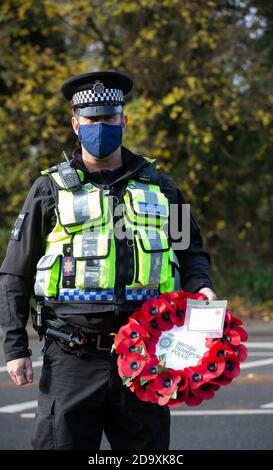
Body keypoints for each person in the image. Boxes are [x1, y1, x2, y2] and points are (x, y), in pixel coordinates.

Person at [0, 71, 216, 450]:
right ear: (75, 125)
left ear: (124, 121)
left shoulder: (162, 187)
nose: (101, 126)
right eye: (92, 119)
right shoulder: (48, 190)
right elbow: (14, 273)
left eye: (109, 118)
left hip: (145, 356)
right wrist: (15, 349)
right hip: (71, 357)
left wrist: (202, 287)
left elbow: (189, 250)